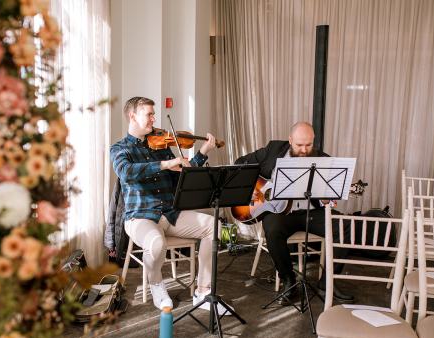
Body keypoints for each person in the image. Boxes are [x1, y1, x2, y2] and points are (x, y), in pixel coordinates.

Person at [110, 96, 227, 313]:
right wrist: (165, 164)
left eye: (154, 114)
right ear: (132, 116)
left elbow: (184, 173)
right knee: (156, 244)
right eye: (149, 114)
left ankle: (203, 291)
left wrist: (203, 152)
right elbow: (127, 173)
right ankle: (156, 285)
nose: (154, 119)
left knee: (215, 226)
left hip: (170, 213)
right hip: (140, 216)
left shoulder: (162, 146)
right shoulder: (119, 148)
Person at [235, 122, 354, 304]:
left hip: (310, 213)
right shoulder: (273, 148)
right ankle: (288, 281)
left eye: (308, 145)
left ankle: (327, 283)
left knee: (346, 226)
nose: (304, 150)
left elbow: (329, 194)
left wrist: (327, 199)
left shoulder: (324, 160)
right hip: (279, 213)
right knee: (273, 229)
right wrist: (249, 187)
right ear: (290, 140)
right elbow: (240, 163)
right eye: (299, 145)